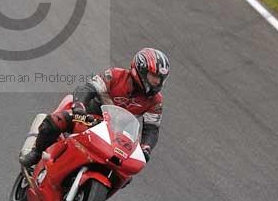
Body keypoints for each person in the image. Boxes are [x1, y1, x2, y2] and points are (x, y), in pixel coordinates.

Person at [20, 48, 170, 167]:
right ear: (140, 70)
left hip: (117, 136)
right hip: (89, 118)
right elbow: (88, 88)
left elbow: (152, 128)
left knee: (128, 172)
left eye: (160, 79)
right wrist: (79, 106)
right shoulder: (115, 75)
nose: (157, 82)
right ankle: (36, 152)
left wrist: (146, 148)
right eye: (154, 77)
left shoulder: (155, 101)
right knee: (55, 121)